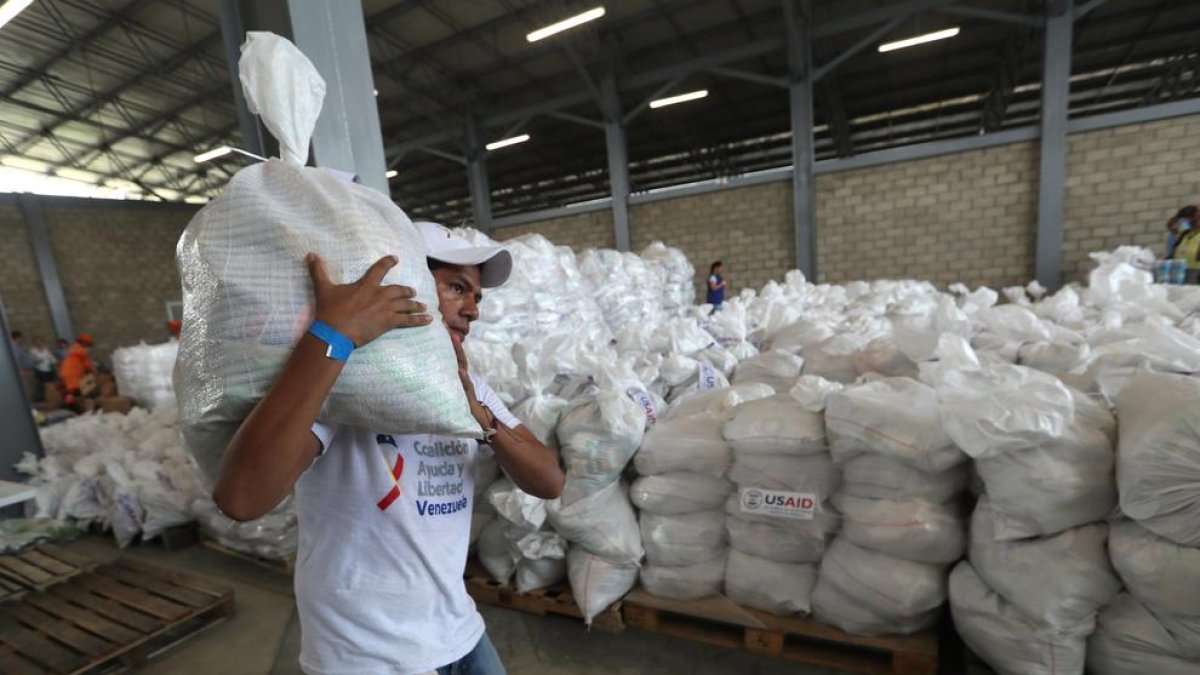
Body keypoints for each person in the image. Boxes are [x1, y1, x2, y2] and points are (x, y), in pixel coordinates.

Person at [213, 222, 564, 675]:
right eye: (457, 288)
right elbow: (241, 498)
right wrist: (333, 335)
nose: (472, 310)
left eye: (477, 297)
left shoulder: (464, 382)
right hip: (367, 654)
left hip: (457, 629)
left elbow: (549, 481)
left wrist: (487, 423)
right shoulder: (352, 377)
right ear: (412, 282)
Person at [59, 334, 96, 410]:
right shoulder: (81, 350)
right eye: (89, 345)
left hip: (65, 373)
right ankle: (69, 408)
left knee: (70, 392)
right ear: (84, 343)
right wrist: (94, 371)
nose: (89, 348)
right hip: (72, 375)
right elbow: (88, 365)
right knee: (73, 392)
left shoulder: (73, 349)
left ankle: (69, 407)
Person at [28, 336, 57, 402]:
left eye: (40, 341)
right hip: (40, 369)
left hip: (48, 369)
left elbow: (50, 357)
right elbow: (32, 360)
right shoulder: (33, 351)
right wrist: (38, 360)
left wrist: (55, 361)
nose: (39, 343)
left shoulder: (45, 349)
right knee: (43, 385)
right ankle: (41, 398)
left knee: (50, 384)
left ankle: (51, 397)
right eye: (37, 341)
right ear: (34, 343)